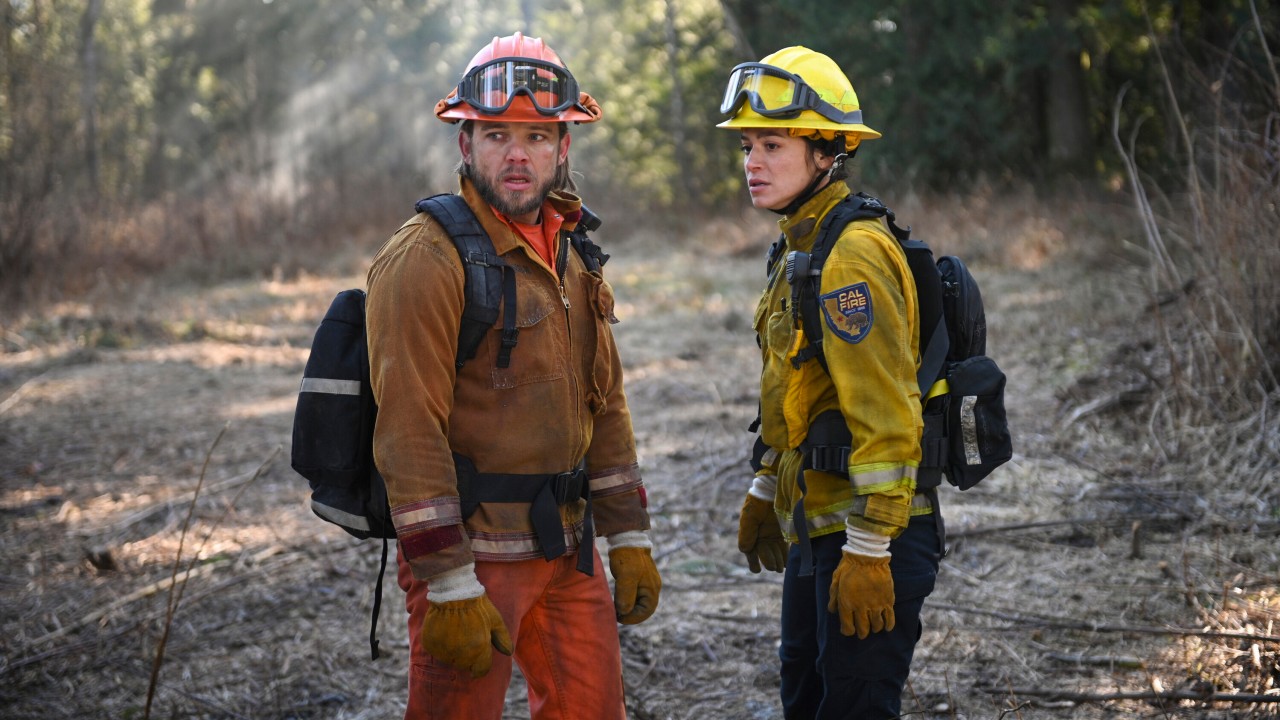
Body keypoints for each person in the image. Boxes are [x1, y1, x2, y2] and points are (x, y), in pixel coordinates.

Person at [365, 32, 661, 720]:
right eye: (496, 134)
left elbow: (606, 403)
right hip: (476, 561)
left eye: (535, 135)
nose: (517, 154)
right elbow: (408, 429)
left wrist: (629, 536)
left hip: (568, 549)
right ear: (464, 145)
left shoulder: (574, 252)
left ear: (564, 145)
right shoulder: (425, 260)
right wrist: (447, 580)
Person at [719, 46, 942, 718]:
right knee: (805, 697)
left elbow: (890, 414)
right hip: (819, 528)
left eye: (773, 145)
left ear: (827, 153)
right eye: (748, 145)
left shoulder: (850, 257)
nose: (752, 162)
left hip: (873, 537)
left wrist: (872, 549)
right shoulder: (799, 244)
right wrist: (767, 482)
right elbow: (799, 392)